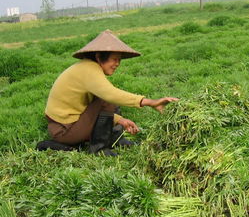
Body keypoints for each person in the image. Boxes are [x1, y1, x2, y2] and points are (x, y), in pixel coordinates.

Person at [38, 29, 178, 155]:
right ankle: (99, 149)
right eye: (114, 59)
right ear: (99, 57)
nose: (117, 64)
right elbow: (111, 94)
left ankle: (115, 139)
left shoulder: (87, 68)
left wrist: (120, 120)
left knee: (106, 99)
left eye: (119, 60)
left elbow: (93, 109)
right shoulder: (88, 70)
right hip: (64, 131)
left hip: (72, 124)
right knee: (107, 99)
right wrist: (150, 102)